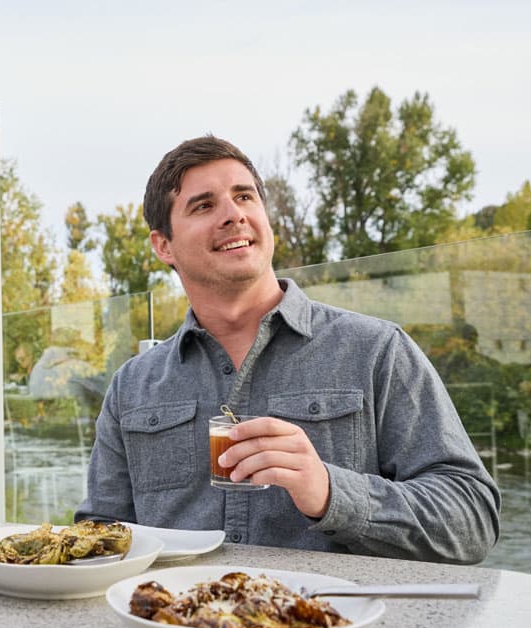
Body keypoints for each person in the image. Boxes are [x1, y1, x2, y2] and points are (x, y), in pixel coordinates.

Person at [75, 136, 501, 564]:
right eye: (203, 205)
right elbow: (97, 539)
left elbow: (471, 519)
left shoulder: (377, 351)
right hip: (175, 624)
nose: (234, 214)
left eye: (245, 196)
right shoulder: (132, 386)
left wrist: (331, 492)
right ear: (163, 245)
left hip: (331, 624)